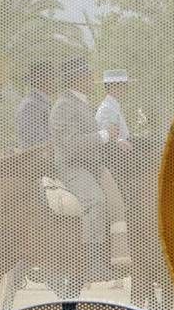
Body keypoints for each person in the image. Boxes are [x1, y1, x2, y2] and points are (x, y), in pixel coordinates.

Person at [49, 56, 120, 284]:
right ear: (77, 79)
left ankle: (117, 256)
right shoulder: (63, 106)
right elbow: (71, 144)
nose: (93, 79)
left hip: (90, 164)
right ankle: (94, 264)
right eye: (89, 75)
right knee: (96, 200)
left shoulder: (82, 102)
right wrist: (104, 135)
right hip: (71, 166)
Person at [95, 69, 133, 269]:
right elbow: (106, 136)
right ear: (113, 87)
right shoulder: (106, 109)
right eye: (121, 85)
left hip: (121, 155)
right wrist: (120, 142)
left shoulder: (115, 106)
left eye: (124, 85)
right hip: (114, 161)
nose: (124, 89)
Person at [16, 61, 55, 150]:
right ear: (43, 79)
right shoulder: (30, 105)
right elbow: (35, 140)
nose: (54, 81)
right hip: (37, 160)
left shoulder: (43, 102)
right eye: (52, 77)